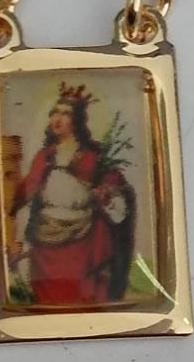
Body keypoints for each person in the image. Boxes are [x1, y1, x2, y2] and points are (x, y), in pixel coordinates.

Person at [9, 83, 135, 305]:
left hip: (82, 244)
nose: (57, 119)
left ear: (77, 120)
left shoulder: (93, 157)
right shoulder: (44, 156)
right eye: (54, 113)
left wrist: (106, 198)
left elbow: (116, 201)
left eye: (65, 114)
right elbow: (26, 195)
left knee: (82, 298)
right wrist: (16, 235)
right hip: (44, 244)